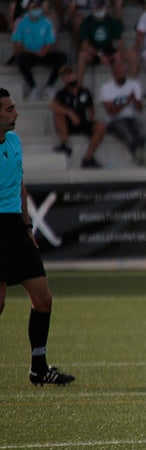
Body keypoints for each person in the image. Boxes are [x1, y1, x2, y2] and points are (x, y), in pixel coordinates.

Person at [0, 87, 75, 387]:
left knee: (42, 298)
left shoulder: (15, 142)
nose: (15, 113)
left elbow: (19, 185)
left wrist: (27, 227)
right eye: (8, 109)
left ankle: (39, 368)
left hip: (16, 228)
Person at [11, 0, 66, 101]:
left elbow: (50, 42)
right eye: (33, 6)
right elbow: (17, 44)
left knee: (62, 58)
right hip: (29, 53)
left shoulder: (47, 22)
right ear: (28, 8)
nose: (36, 9)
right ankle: (33, 88)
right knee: (19, 59)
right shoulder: (20, 22)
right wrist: (33, 52)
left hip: (43, 53)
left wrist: (43, 52)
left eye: (38, 6)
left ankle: (49, 86)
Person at [49, 66, 104, 168]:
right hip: (68, 125)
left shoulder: (85, 92)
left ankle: (88, 158)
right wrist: (69, 113)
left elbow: (91, 109)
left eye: (70, 75)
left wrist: (91, 118)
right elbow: (53, 105)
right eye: (66, 76)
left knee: (100, 126)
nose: (69, 78)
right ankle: (65, 144)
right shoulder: (62, 93)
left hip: (82, 121)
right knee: (58, 114)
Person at [99, 59, 146, 166]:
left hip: (131, 118)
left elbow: (140, 109)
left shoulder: (134, 84)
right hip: (114, 120)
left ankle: (140, 154)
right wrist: (127, 101)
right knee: (128, 134)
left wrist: (135, 99)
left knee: (142, 131)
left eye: (123, 73)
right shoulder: (106, 88)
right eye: (118, 73)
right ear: (113, 74)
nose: (121, 75)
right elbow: (111, 111)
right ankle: (139, 156)